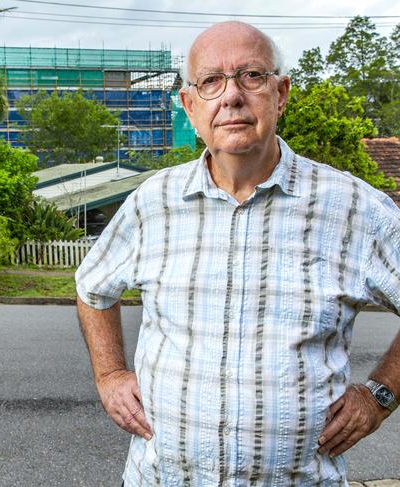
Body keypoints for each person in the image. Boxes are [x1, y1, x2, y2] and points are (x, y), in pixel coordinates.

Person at [75, 21, 400, 486]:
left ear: (281, 93)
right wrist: (109, 375)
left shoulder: (352, 208)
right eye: (210, 81)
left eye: (250, 76)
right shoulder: (153, 202)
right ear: (189, 106)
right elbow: (91, 287)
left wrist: (379, 396)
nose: (230, 96)